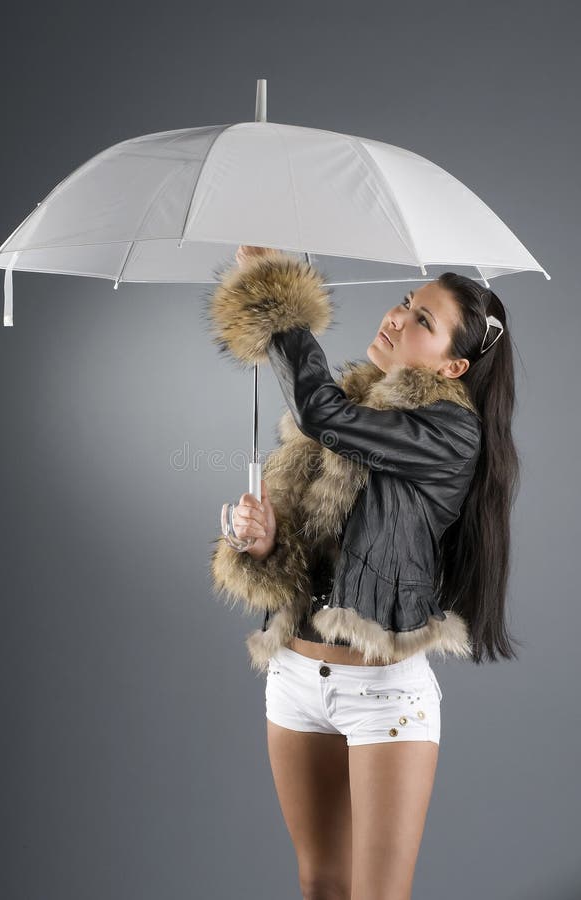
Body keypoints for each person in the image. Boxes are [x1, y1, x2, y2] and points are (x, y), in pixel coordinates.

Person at [207, 245, 521, 900]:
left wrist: (277, 296)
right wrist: (265, 545)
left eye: (422, 322)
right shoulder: (353, 411)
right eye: (406, 303)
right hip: (294, 678)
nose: (396, 317)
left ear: (453, 366)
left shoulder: (449, 433)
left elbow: (324, 413)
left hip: (383, 698)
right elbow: (321, 558)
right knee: (321, 883)